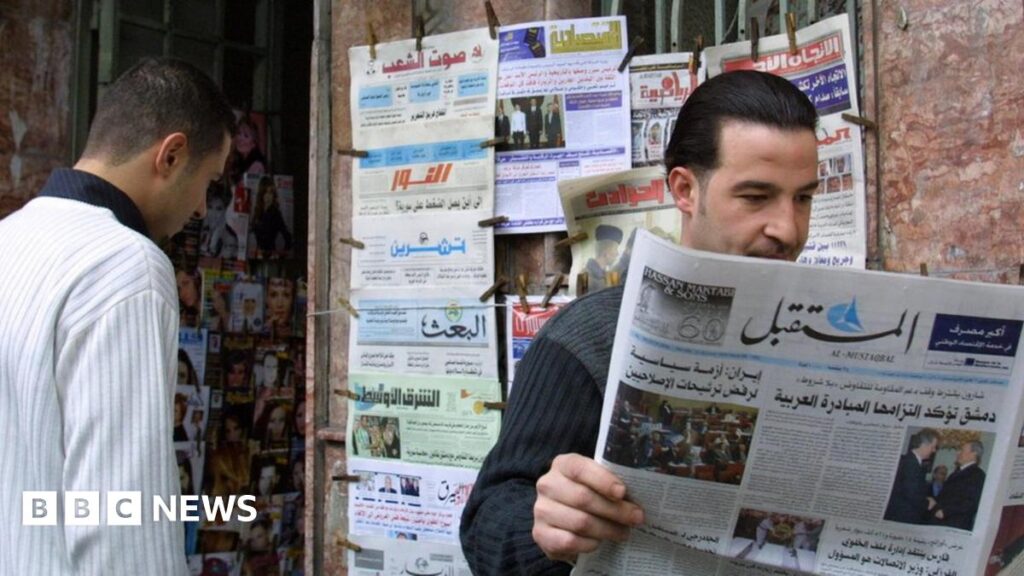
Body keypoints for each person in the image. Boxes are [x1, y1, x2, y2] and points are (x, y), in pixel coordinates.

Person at [460, 70, 821, 574]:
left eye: (803, 197)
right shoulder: (587, 341)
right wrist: (544, 526)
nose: (787, 228)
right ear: (685, 189)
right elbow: (485, 526)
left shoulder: (828, 336)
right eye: (756, 197)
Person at [0, 57, 234, 574]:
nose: (201, 208)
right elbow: (119, 515)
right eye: (209, 182)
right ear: (171, 155)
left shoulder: (7, 239)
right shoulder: (126, 265)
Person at [884, 428, 940, 525]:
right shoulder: (910, 463)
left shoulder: (912, 461)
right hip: (902, 517)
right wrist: (927, 503)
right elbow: (911, 493)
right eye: (933, 447)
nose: (934, 450)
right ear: (924, 445)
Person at [930, 441, 986, 530]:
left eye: (962, 450)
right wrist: (934, 502)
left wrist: (945, 512)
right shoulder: (956, 472)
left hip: (955, 525)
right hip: (941, 523)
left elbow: (971, 503)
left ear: (973, 454)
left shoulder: (977, 475)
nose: (958, 453)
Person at [251, 175, 293, 257]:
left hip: (270, 255)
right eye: (265, 192)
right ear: (261, 194)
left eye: (271, 193)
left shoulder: (275, 213)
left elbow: (288, 238)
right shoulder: (258, 211)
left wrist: (280, 255)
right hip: (257, 255)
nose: (268, 196)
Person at [584, 224, 623, 292]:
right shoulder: (585, 275)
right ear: (606, 251)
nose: (617, 254)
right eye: (615, 249)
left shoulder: (611, 275)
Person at [230, 114, 267, 185]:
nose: (240, 138)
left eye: (246, 136)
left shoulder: (257, 165)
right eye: (239, 133)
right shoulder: (237, 160)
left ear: (253, 143)